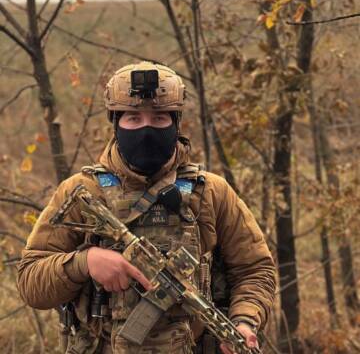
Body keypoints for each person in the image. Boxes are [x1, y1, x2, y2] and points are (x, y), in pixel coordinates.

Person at [17, 61, 276, 354]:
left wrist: (243, 322)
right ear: (115, 123)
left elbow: (255, 270)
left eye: (159, 117)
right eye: (133, 118)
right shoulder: (82, 192)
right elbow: (31, 283)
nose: (146, 129)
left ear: (176, 122)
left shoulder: (211, 192)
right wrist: (85, 262)